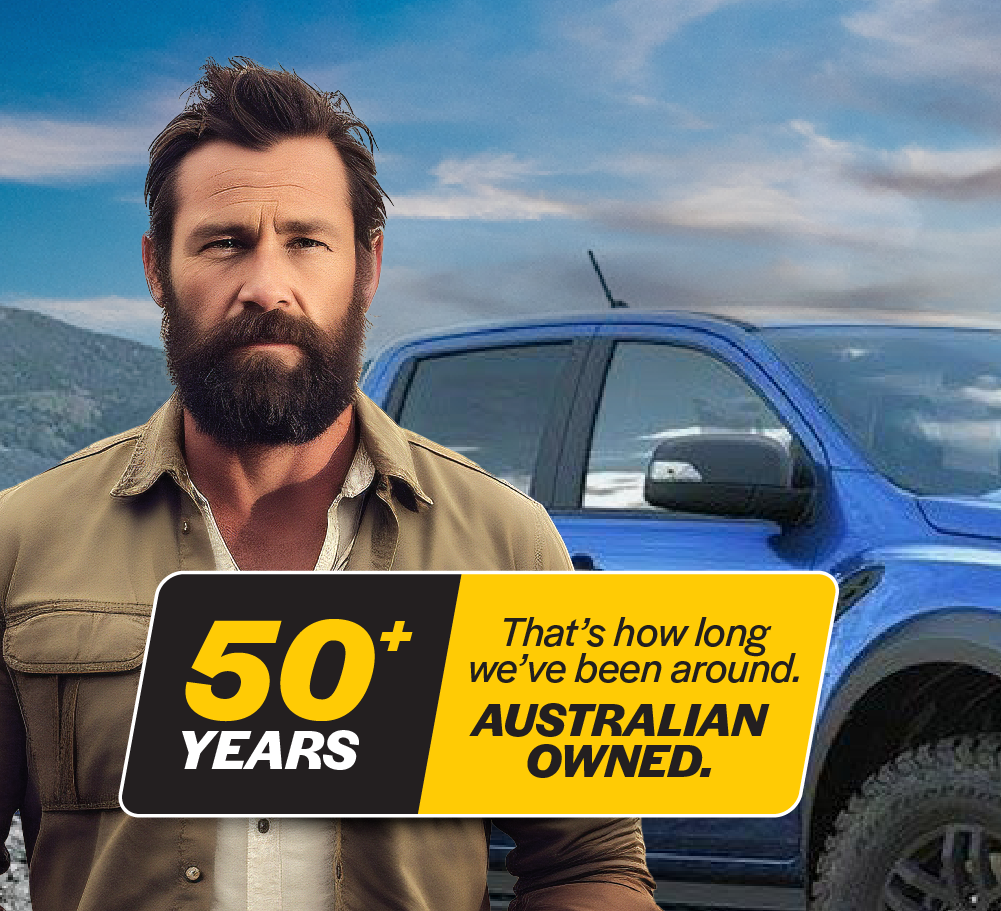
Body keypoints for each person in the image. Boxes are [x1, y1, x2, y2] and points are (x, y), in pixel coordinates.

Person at [0, 58, 658, 911]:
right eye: (224, 241)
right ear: (158, 269)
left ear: (366, 266)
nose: (266, 285)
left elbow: (587, 863)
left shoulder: (507, 543)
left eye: (307, 241)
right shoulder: (23, 540)